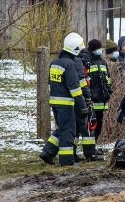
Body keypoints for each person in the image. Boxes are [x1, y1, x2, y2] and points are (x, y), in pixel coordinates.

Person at [40, 33, 86, 166]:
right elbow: (74, 88)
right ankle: (66, 161)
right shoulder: (70, 64)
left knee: (62, 128)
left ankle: (48, 152)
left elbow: (51, 83)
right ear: (75, 49)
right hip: (66, 103)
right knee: (68, 131)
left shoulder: (55, 62)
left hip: (55, 102)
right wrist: (82, 105)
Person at [74, 38, 99, 161]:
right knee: (87, 127)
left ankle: (73, 153)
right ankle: (89, 154)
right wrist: (88, 96)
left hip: (74, 100)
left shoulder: (71, 61)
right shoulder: (80, 61)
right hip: (81, 99)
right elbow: (83, 82)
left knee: (75, 128)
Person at [86, 38, 112, 142]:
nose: (100, 50)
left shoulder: (102, 61)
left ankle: (95, 142)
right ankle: (90, 146)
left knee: (99, 123)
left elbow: (107, 78)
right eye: (98, 48)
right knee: (91, 123)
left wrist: (109, 90)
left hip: (102, 99)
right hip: (92, 100)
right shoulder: (87, 61)